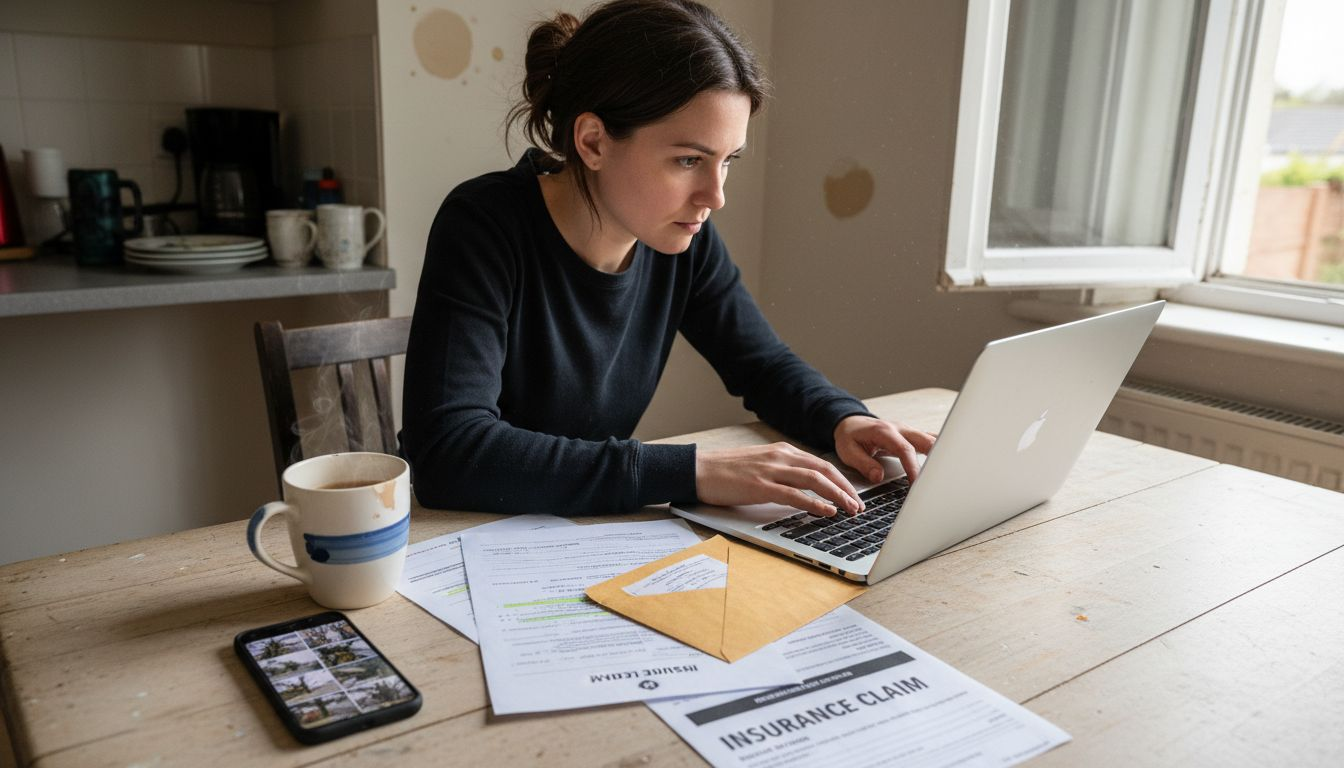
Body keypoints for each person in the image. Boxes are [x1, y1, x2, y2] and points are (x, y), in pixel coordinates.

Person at [401, 0, 935, 518]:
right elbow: (450, 453)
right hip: (466, 540)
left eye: (727, 161)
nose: (715, 195)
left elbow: (762, 364)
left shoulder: (683, 238)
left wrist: (840, 417)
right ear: (592, 142)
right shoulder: (484, 224)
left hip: (586, 529)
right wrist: (695, 471)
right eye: (688, 160)